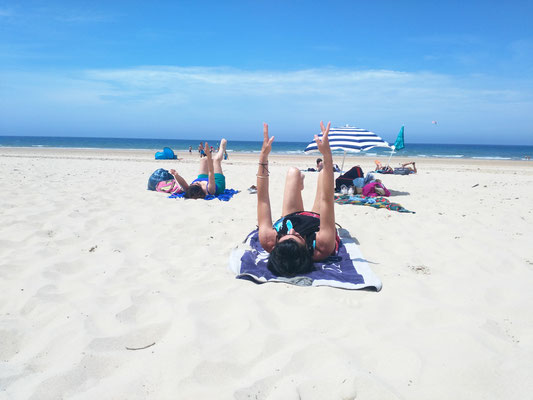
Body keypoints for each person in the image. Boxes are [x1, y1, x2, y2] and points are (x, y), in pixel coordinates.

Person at [257, 122, 338, 277]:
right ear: (306, 250)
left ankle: (299, 180)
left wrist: (263, 156)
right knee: (322, 175)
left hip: (290, 216)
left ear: (275, 246)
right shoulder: (322, 246)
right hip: (316, 221)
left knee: (293, 172)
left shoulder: (269, 240)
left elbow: (262, 200)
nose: (293, 230)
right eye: (296, 236)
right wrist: (327, 156)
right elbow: (327, 200)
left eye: (285, 235)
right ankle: (313, 175)